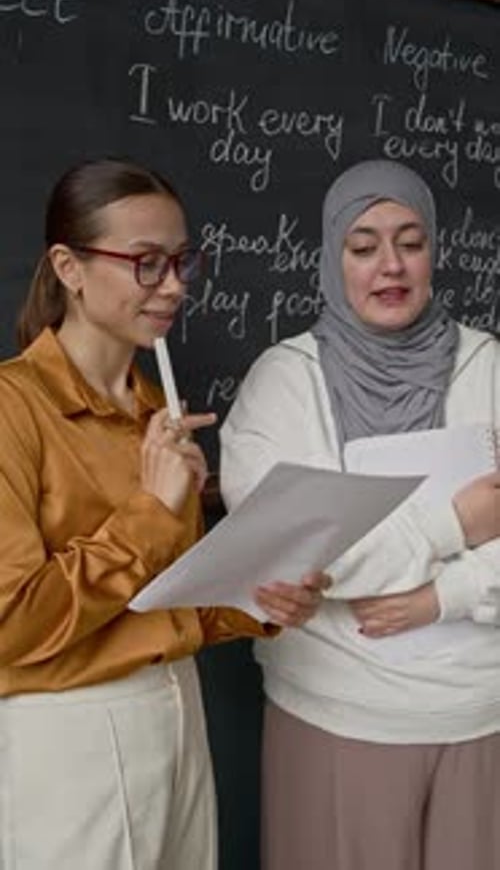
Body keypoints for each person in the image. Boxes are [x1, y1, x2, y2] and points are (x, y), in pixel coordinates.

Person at [0, 157, 329, 870]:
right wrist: (151, 511)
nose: (175, 285)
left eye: (182, 261)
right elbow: (11, 625)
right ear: (69, 266)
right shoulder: (11, 409)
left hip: (177, 715)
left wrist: (255, 600)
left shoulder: (159, 409)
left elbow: (161, 607)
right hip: (68, 737)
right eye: (146, 263)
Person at [220, 159, 500, 870]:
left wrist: (444, 596)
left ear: (434, 249)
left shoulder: (489, 366)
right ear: (331, 257)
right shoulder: (284, 381)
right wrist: (453, 526)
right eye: (363, 245)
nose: (391, 266)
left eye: (411, 241)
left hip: (485, 718)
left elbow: (332, 543)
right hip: (337, 716)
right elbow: (289, 547)